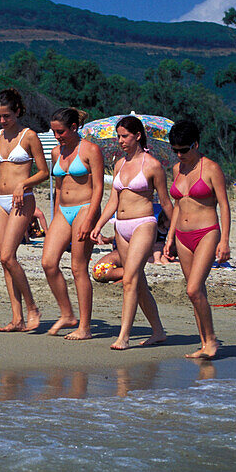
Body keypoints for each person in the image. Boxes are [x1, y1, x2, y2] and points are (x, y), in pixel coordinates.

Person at [0, 88, 49, 333]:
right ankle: (17, 318)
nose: (2, 120)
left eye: (7, 116)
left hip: (21, 200)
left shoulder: (29, 136)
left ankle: (33, 307)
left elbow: (43, 172)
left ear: (17, 111)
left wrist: (24, 183)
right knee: (5, 261)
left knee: (7, 256)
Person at [91, 115, 172, 350]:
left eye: (124, 136)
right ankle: (158, 332)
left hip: (143, 225)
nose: (120, 140)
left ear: (137, 135)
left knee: (129, 279)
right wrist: (98, 225)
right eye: (118, 136)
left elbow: (166, 203)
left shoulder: (152, 165)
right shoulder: (119, 164)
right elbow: (113, 200)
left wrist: (174, 233)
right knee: (139, 283)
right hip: (120, 226)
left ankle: (123, 336)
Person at [163, 120, 231, 360]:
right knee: (196, 291)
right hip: (182, 236)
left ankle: (212, 340)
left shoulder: (211, 168)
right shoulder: (176, 170)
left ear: (196, 144)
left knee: (192, 289)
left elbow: (224, 204)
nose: (180, 154)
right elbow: (178, 205)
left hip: (207, 232)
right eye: (176, 150)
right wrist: (169, 237)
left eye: (184, 149)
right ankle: (204, 343)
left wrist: (225, 241)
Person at [41, 107, 104, 340]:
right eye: (54, 132)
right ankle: (67, 313)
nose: (57, 136)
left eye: (61, 132)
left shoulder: (91, 150)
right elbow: (58, 187)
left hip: (85, 208)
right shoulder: (56, 152)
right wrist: (55, 216)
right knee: (48, 263)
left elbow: (98, 188)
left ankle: (85, 327)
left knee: (78, 268)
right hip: (63, 211)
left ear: (74, 128)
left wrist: (90, 219)